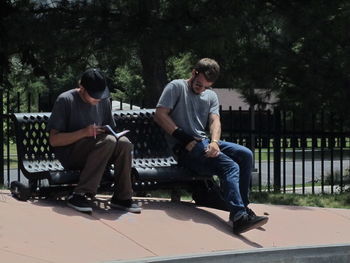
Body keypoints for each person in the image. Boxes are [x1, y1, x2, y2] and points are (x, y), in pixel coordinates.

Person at [154, 58, 268, 234]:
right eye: (199, 84)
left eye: (206, 86)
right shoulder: (176, 87)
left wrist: (215, 142)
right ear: (194, 72)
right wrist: (183, 138)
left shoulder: (210, 95)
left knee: (245, 154)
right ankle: (239, 216)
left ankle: (242, 209)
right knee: (230, 167)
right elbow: (160, 115)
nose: (201, 89)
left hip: (203, 142)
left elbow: (215, 121)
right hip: (184, 148)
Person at [47, 68, 141, 214]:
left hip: (100, 151)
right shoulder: (65, 100)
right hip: (71, 154)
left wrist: (108, 132)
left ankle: (122, 197)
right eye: (93, 96)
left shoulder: (103, 102)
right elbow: (54, 140)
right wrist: (83, 132)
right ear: (81, 88)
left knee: (124, 143)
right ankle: (81, 194)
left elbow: (110, 130)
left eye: (100, 95)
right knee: (108, 141)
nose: (97, 99)